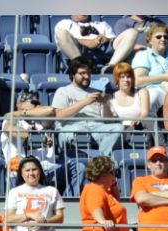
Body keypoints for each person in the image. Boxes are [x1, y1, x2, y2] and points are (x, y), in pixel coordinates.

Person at [52, 57, 119, 185]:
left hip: (96, 128)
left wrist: (105, 103)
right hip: (72, 128)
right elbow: (59, 116)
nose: (87, 76)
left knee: (118, 129)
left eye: (88, 73)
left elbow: (109, 122)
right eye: (82, 73)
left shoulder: (97, 93)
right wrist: (85, 102)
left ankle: (100, 162)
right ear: (73, 74)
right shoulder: (63, 91)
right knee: (77, 130)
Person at [4, 156, 65, 231]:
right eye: (27, 170)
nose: (31, 173)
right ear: (22, 174)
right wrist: (30, 215)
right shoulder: (14, 192)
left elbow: (60, 217)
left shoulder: (52, 191)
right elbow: (8, 218)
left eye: (34, 169)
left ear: (40, 172)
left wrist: (44, 221)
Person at [79, 155, 130, 231]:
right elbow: (96, 208)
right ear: (103, 174)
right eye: (112, 173)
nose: (114, 176)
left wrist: (114, 184)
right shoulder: (94, 189)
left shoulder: (106, 192)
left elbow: (117, 201)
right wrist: (102, 221)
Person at [55, 15, 134, 73]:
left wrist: (107, 39)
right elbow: (62, 40)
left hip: (102, 52)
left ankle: (110, 67)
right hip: (78, 53)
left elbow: (115, 42)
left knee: (132, 32)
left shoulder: (102, 24)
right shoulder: (64, 23)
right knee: (61, 33)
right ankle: (82, 66)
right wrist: (83, 41)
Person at [130, 22, 168, 110]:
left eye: (165, 37)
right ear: (150, 40)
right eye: (158, 37)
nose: (163, 39)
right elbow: (137, 81)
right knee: (154, 97)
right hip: (152, 91)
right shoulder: (143, 55)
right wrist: (165, 77)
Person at [109, 61, 155, 131]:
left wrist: (138, 119)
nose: (126, 80)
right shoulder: (111, 97)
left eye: (129, 77)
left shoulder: (142, 92)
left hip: (140, 127)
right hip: (122, 131)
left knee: (150, 122)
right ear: (117, 80)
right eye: (122, 77)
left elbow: (145, 113)